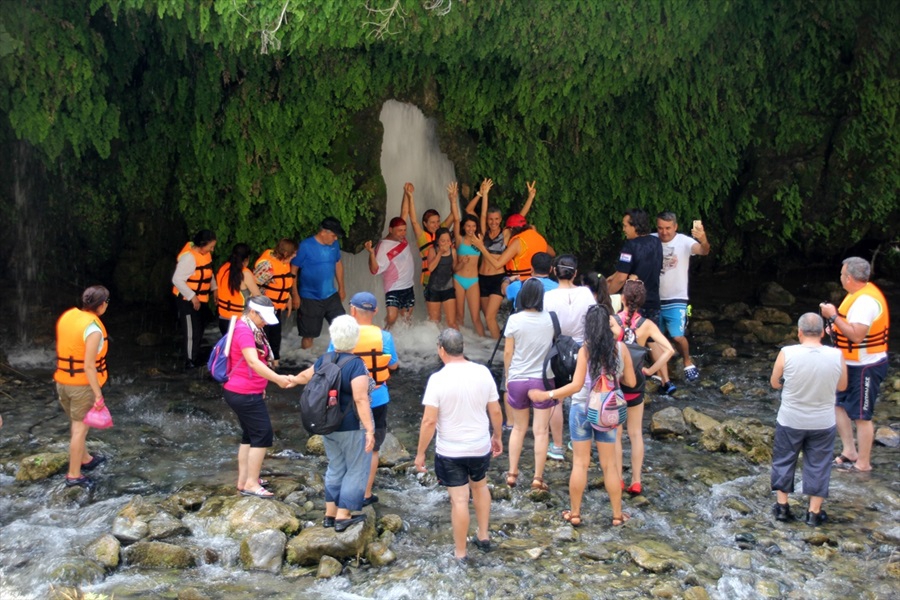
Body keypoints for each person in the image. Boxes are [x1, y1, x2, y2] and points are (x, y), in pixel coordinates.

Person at [528, 305, 636, 527]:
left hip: (582, 410)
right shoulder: (620, 349)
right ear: (607, 325)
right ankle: (617, 515)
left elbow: (576, 386)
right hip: (608, 411)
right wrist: (617, 374)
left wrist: (545, 394)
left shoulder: (585, 351)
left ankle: (575, 513)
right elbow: (632, 383)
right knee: (609, 466)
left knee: (579, 463)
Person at [415, 328, 503, 561]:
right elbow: (495, 409)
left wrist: (420, 453)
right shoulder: (483, 372)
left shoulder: (437, 379)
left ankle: (460, 553)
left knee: (460, 499)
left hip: (451, 450)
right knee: (480, 487)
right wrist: (497, 436)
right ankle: (483, 536)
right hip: (479, 445)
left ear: (441, 350)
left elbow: (429, 421)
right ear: (462, 347)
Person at [290, 315, 376, 531]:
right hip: (351, 426)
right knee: (356, 468)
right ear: (354, 339)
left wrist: (288, 379)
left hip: (328, 424)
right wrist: (370, 429)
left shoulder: (325, 358)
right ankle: (343, 515)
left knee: (336, 466)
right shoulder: (356, 365)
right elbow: (360, 398)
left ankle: (329, 514)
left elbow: (305, 376)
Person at [770, 313, 847, 526]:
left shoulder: (787, 353)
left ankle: (783, 508)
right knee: (819, 465)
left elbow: (775, 383)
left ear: (799, 332)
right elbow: (842, 386)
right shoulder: (836, 355)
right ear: (823, 333)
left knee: (784, 459)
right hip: (823, 421)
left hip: (790, 419)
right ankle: (813, 513)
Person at [820, 257, 890, 473]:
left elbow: (858, 336)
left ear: (849, 278)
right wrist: (835, 328)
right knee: (837, 404)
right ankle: (849, 451)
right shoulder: (856, 295)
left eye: (842, 275)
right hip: (847, 362)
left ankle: (863, 463)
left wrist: (833, 316)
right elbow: (848, 328)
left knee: (861, 415)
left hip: (866, 366)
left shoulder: (865, 301)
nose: (840, 278)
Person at [331, 292, 399, 506]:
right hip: (377, 398)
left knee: (347, 445)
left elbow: (329, 363)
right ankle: (365, 493)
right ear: (376, 311)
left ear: (352, 310)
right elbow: (393, 365)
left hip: (347, 399)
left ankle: (343, 491)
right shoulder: (384, 336)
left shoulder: (342, 335)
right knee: (373, 447)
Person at [223, 297, 294, 497]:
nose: (265, 323)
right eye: (264, 318)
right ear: (253, 312)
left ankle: (243, 480)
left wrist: (261, 384)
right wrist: (278, 379)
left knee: (250, 435)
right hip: (243, 393)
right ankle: (252, 484)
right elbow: (253, 363)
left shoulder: (247, 326)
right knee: (263, 435)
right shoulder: (245, 331)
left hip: (242, 390)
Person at [611, 279, 675, 497]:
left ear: (622, 299)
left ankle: (618, 478)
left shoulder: (612, 321)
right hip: (637, 381)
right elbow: (668, 350)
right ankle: (636, 481)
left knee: (617, 433)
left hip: (615, 381)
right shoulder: (646, 325)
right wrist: (652, 370)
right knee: (636, 433)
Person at [54, 285, 112, 488]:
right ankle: (74, 475)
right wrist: (98, 395)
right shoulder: (94, 329)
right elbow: (89, 366)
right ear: (102, 305)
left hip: (63, 382)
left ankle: (85, 458)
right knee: (79, 429)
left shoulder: (69, 316)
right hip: (81, 385)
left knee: (77, 424)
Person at [606, 209, 670, 393]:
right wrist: (613, 276)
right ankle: (666, 381)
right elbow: (627, 271)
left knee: (625, 339)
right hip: (652, 299)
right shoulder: (656, 241)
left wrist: (606, 295)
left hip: (633, 301)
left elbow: (621, 278)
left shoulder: (630, 246)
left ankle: (625, 379)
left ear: (635, 226)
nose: (624, 229)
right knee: (652, 339)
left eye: (626, 225)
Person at [466, 179, 537, 339]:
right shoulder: (483, 233)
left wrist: (530, 198)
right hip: (482, 279)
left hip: (498, 279)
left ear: (501, 219)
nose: (493, 222)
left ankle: (499, 350)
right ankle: (492, 344)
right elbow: (482, 214)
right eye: (491, 219)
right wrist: (484, 194)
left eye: (497, 219)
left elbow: (521, 217)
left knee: (490, 316)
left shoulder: (505, 234)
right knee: (487, 316)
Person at [503, 278, 555, 492]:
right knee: (541, 431)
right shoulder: (551, 319)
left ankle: (512, 474)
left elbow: (508, 352)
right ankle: (537, 478)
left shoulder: (514, 320)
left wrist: (508, 377)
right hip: (542, 379)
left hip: (517, 379)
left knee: (518, 427)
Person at [543, 255, 597, 461]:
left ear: (554, 271)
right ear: (575, 273)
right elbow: (594, 319)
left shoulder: (548, 297)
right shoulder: (585, 293)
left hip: (558, 349)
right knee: (581, 397)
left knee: (556, 397)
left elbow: (546, 325)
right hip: (584, 349)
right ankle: (578, 441)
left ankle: (556, 446)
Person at [654, 212, 710, 384]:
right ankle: (659, 369)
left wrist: (703, 239)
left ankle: (687, 361)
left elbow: (703, 251)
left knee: (677, 336)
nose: (664, 232)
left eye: (668, 228)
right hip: (653, 298)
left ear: (675, 227)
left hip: (677, 297)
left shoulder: (684, 241)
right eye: (661, 228)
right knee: (655, 337)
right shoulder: (651, 240)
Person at [290, 217, 346, 350]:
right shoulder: (305, 246)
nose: (335, 238)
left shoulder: (334, 245)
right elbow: (293, 270)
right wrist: (295, 295)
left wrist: (341, 288)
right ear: (323, 233)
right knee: (308, 334)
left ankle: (342, 358)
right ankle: (306, 364)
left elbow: (338, 264)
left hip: (331, 295)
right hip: (309, 297)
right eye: (333, 235)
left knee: (344, 329)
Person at [171, 229, 217, 369]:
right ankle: (190, 360)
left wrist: (215, 289)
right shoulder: (189, 258)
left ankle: (196, 355)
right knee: (191, 331)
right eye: (211, 246)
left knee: (200, 327)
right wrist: (193, 297)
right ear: (202, 245)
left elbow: (209, 272)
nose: (212, 249)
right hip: (186, 299)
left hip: (200, 297)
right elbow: (177, 279)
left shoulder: (205, 255)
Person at [473, 206, 554, 282]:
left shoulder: (517, 242)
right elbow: (552, 253)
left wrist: (481, 247)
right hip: (538, 280)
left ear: (512, 229)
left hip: (520, 281)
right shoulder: (537, 238)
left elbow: (497, 265)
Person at [366, 209, 415, 330]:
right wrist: (371, 254)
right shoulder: (383, 246)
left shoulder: (401, 239)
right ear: (390, 230)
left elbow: (404, 212)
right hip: (394, 288)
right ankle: (383, 336)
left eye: (404, 230)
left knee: (406, 318)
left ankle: (404, 344)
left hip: (408, 285)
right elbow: (374, 270)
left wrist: (407, 193)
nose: (403, 233)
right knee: (392, 317)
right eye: (399, 231)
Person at [254, 238, 299, 366]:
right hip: (265, 308)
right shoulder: (267, 265)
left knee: (275, 335)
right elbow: (255, 286)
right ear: (285, 253)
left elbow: (284, 283)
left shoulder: (284, 262)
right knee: (264, 336)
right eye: (293, 253)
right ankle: (263, 363)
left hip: (277, 307)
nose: (295, 255)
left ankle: (275, 360)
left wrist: (288, 298)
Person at [407, 181, 458, 286]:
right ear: (425, 224)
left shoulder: (442, 231)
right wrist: (410, 197)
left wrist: (453, 200)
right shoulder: (422, 237)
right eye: (432, 222)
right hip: (430, 280)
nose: (436, 225)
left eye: (438, 221)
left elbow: (453, 216)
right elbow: (413, 221)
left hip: (447, 278)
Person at [216, 243, 261, 334]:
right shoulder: (245, 273)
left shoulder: (222, 268)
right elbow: (258, 296)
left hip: (223, 320)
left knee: (229, 348)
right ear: (246, 259)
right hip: (240, 322)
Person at [453, 214, 486, 336]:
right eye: (468, 226)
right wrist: (453, 200)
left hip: (473, 281)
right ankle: (459, 344)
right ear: (464, 227)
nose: (471, 229)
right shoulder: (459, 239)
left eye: (473, 226)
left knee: (476, 317)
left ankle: (485, 344)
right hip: (458, 279)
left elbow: (483, 217)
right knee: (459, 315)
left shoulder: (479, 239)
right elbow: (456, 219)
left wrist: (484, 196)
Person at [424, 227, 458, 329]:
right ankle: (436, 344)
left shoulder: (453, 251)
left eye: (448, 240)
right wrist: (440, 253)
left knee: (452, 322)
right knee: (435, 322)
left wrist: (463, 263)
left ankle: (459, 343)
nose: (446, 243)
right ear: (437, 241)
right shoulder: (432, 250)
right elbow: (431, 268)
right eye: (443, 241)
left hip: (448, 288)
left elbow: (455, 269)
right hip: (433, 289)